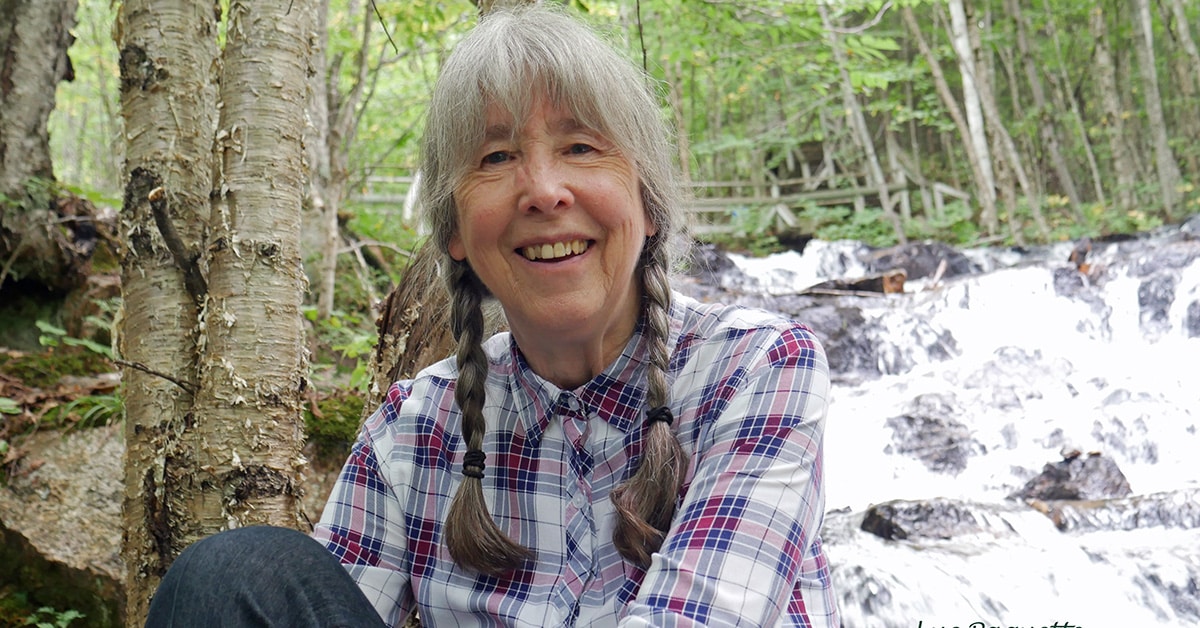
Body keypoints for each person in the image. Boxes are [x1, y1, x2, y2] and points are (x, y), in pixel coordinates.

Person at [146, 5, 837, 627]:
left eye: (581, 147)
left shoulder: (757, 368)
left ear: (647, 203)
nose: (542, 190)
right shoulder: (415, 429)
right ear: (454, 231)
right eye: (496, 157)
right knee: (233, 576)